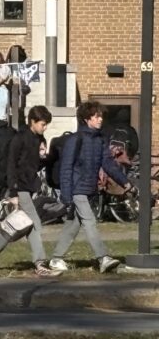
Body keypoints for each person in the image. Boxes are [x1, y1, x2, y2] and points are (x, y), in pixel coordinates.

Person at [0, 106, 59, 277]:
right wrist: (13, 193)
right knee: (34, 224)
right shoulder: (19, 139)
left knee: (21, 226)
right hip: (20, 188)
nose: (45, 127)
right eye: (43, 124)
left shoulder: (38, 138)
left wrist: (44, 157)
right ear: (32, 122)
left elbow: (33, 165)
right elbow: (11, 165)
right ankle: (40, 263)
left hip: (29, 186)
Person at [49, 101, 130, 273]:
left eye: (101, 116)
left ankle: (56, 259)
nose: (100, 119)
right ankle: (103, 258)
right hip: (77, 189)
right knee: (90, 221)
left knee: (73, 225)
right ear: (87, 119)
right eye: (96, 116)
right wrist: (66, 194)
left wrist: (125, 182)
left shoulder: (100, 140)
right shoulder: (75, 139)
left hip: (89, 189)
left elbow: (108, 164)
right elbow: (66, 168)